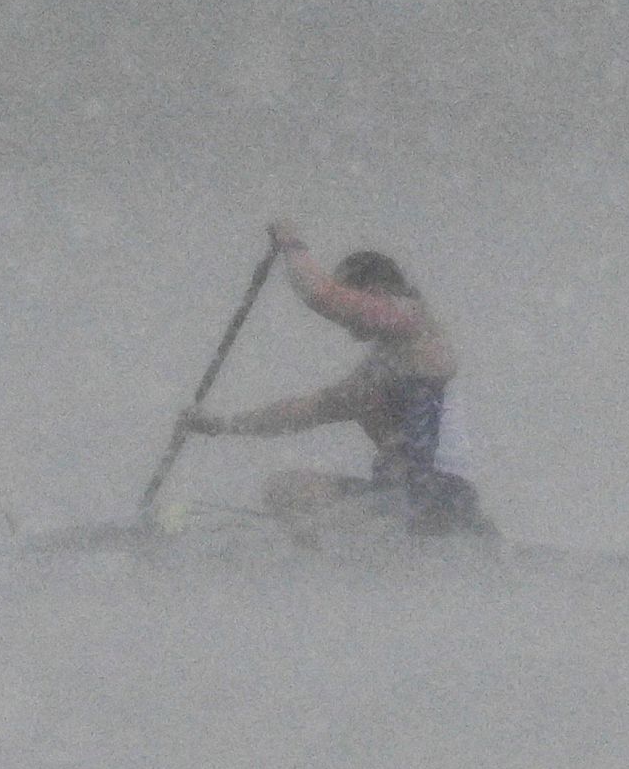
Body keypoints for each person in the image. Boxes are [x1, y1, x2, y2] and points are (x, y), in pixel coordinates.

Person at [175, 220, 488, 541]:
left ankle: (355, 552)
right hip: (397, 499)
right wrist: (220, 425)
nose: (347, 326)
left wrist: (291, 243)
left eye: (350, 296)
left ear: (375, 293)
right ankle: (327, 563)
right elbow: (301, 413)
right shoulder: (377, 374)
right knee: (286, 490)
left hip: (442, 500)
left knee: (323, 515)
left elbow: (323, 295)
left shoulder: (417, 326)